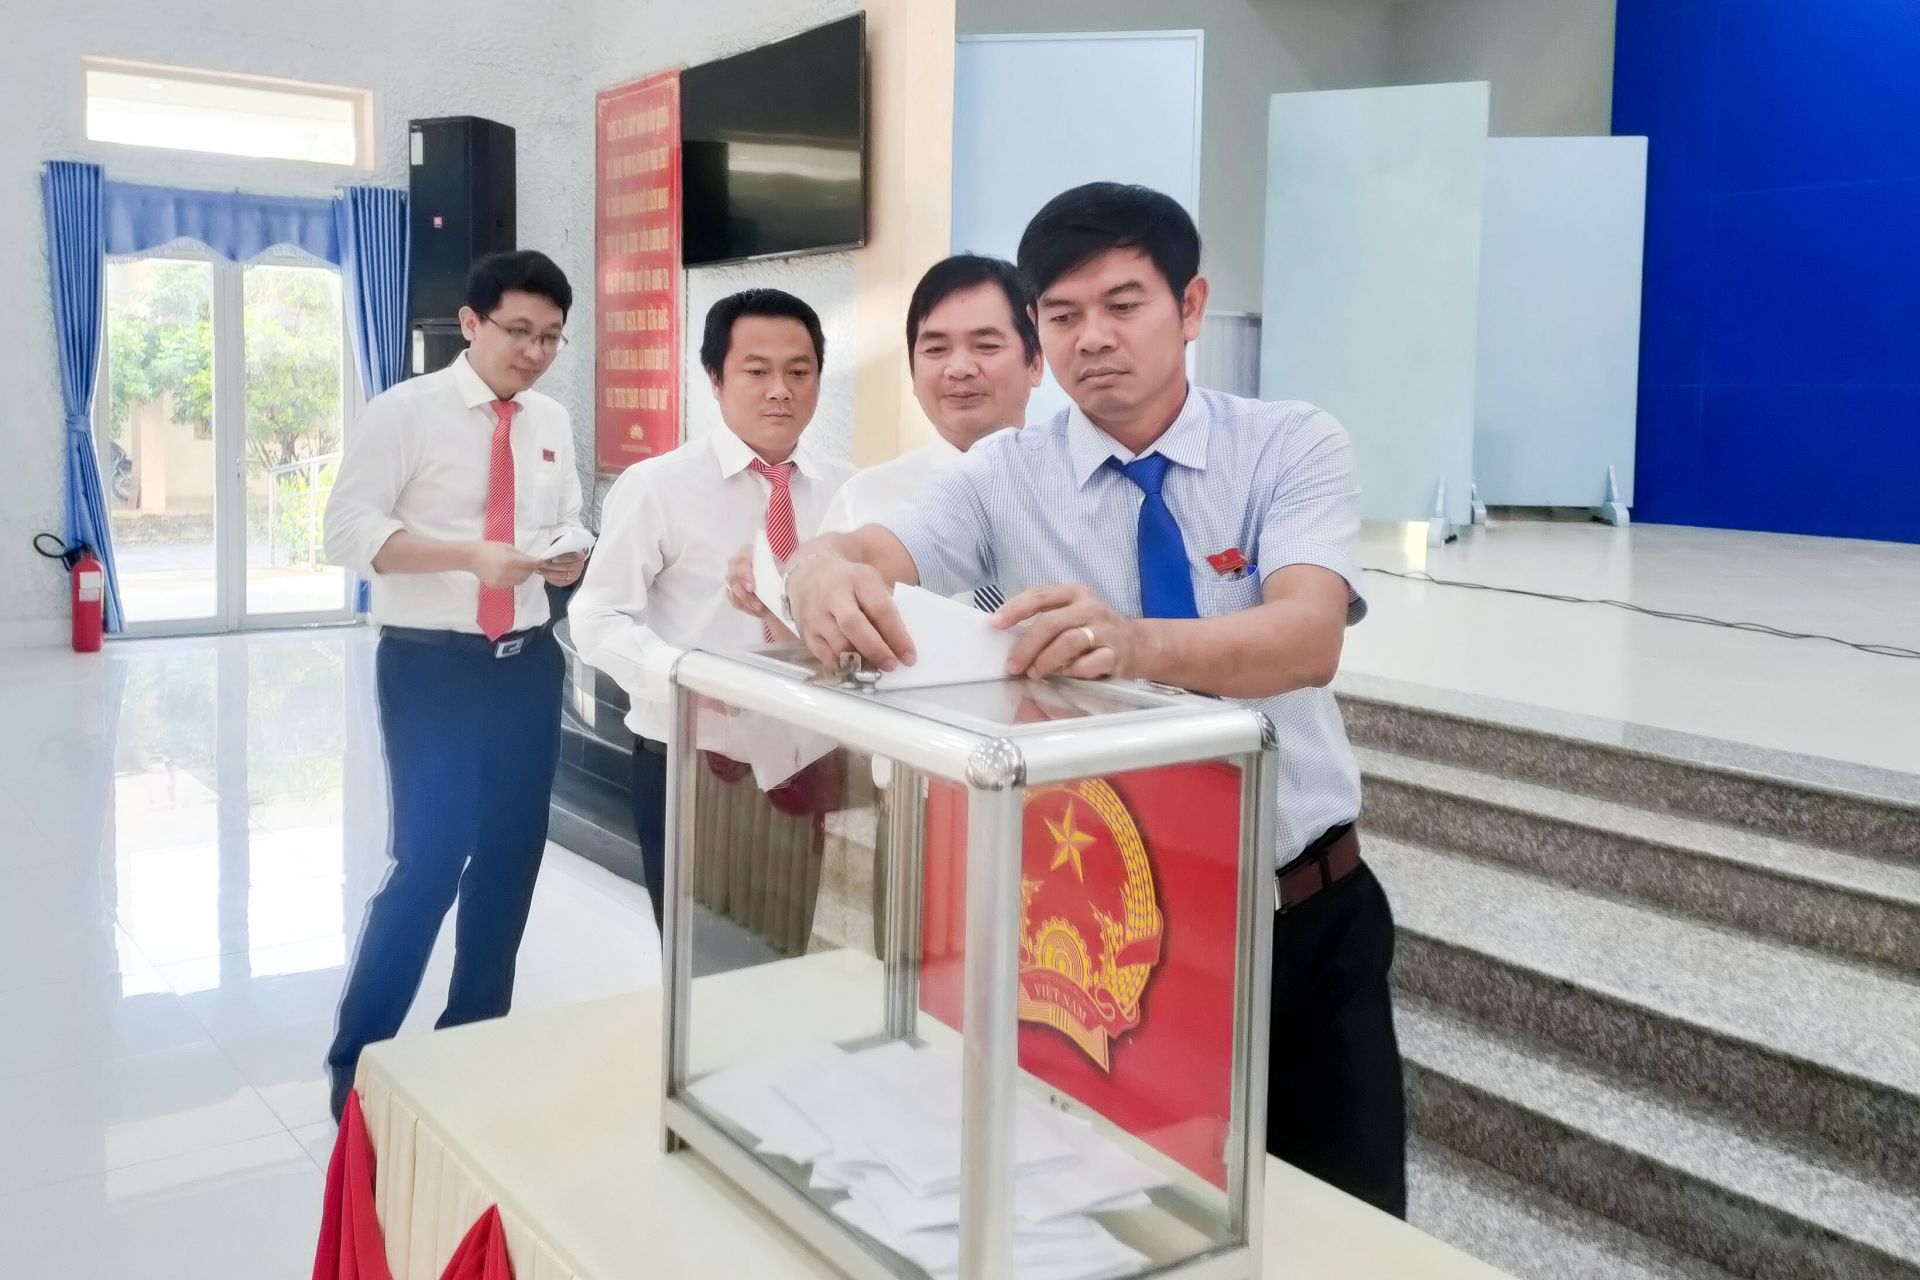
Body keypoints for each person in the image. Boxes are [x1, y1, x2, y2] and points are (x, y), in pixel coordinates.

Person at [768, 183, 1406, 1216]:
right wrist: (817, 568)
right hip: (1116, 930)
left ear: (1190, 306)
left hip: (1299, 910)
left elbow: (1307, 636)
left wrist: (1134, 643)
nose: (1092, 338)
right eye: (1062, 315)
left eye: (1123, 304)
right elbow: (872, 547)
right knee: (1134, 1210)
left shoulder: (1288, 444)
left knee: (1344, 1213)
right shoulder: (1003, 475)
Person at [321, 249, 589, 1123]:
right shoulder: (405, 412)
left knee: (511, 862)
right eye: (519, 332)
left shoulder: (550, 418)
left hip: (527, 664)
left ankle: (475, 1040)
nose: (535, 352)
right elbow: (347, 532)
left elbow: (566, 513)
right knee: (430, 862)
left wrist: (571, 549)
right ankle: (357, 1062)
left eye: (551, 337)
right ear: (470, 324)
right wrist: (468, 556)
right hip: (431, 664)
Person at [569, 288, 852, 932]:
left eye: (799, 371)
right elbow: (597, 617)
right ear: (715, 378)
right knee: (697, 954)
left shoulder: (845, 489)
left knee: (784, 946)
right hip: (692, 758)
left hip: (806, 755)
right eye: (756, 371)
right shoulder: (658, 486)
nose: (780, 390)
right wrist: (687, 678)